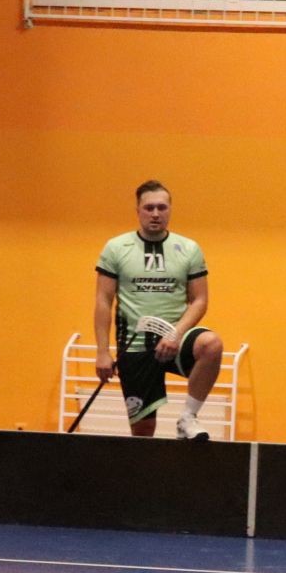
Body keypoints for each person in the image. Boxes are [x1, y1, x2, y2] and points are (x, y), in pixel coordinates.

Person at [92, 180, 225, 440]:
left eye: (162, 208)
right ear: (138, 211)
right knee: (143, 432)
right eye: (149, 208)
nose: (155, 214)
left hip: (175, 339)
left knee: (211, 345)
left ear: (170, 210)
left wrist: (175, 334)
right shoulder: (116, 248)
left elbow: (200, 300)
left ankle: (188, 418)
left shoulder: (189, 248)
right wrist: (102, 351)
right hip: (135, 345)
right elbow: (103, 300)